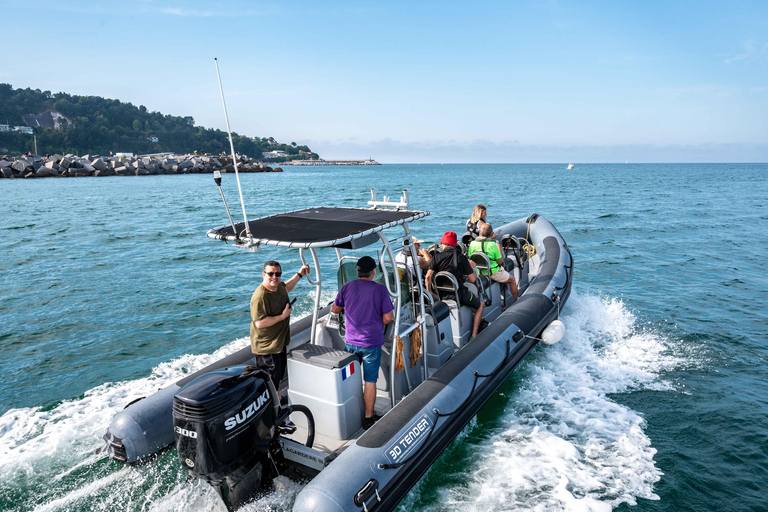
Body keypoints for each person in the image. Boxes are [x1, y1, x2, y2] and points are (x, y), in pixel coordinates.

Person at [331, 256, 394, 429]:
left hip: (350, 341)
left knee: (350, 378)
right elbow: (388, 317)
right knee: (370, 381)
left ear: (357, 272)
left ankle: (350, 411)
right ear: (374, 272)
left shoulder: (347, 287)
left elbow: (335, 309)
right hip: (371, 344)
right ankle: (368, 418)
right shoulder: (380, 290)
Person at [250, 260, 310, 391]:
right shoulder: (260, 297)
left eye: (278, 274)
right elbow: (260, 323)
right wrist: (283, 316)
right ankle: (273, 407)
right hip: (268, 347)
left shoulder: (278, 288)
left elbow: (287, 287)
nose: (274, 277)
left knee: (278, 376)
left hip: (279, 342)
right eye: (270, 274)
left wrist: (300, 274)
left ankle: (277, 398)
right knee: (270, 381)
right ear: (263, 274)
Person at [425, 231, 485, 338]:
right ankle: (474, 335)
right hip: (459, 295)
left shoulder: (436, 257)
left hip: (441, 295)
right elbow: (472, 279)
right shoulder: (461, 257)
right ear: (454, 244)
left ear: (445, 244)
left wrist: (430, 292)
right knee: (480, 304)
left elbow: (428, 277)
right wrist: (471, 267)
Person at [468, 223, 519, 301]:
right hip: (493, 272)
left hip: (479, 271)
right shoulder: (492, 245)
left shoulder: (472, 244)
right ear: (491, 234)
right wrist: (499, 249)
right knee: (512, 280)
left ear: (480, 233)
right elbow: (500, 261)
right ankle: (517, 299)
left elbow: (471, 258)